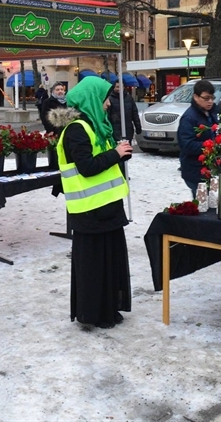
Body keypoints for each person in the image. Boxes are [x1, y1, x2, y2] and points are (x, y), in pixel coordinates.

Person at [51, 76, 132, 329]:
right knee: (95, 266)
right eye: (105, 98)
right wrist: (114, 154)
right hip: (90, 211)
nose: (108, 104)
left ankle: (108, 308)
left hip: (105, 208)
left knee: (109, 262)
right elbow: (86, 167)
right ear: (92, 99)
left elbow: (102, 162)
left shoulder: (94, 126)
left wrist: (119, 154)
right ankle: (94, 313)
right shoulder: (76, 129)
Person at [177, 79, 218, 198]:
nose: (210, 101)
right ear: (195, 97)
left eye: (212, 98)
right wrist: (210, 146)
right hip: (195, 170)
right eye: (206, 98)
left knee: (212, 202)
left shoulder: (211, 112)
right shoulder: (189, 117)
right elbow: (186, 145)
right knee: (202, 203)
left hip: (209, 168)